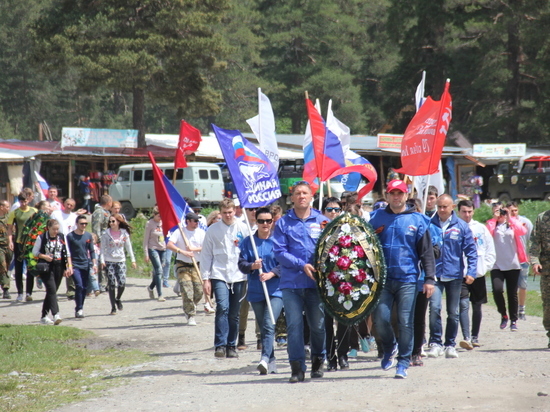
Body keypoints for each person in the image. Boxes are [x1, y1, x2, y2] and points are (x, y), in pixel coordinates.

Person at [369, 180, 435, 379]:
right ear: (387, 195)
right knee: (380, 320)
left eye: (400, 193)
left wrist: (430, 279)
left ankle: (404, 361)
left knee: (406, 321)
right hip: (383, 280)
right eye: (392, 193)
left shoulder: (418, 220)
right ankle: (390, 347)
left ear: (406, 196)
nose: (396, 197)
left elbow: (427, 253)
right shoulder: (376, 218)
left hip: (407, 279)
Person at [273, 181, 328, 383]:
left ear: (311, 196)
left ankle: (318, 361)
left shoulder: (322, 221)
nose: (302, 196)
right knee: (294, 327)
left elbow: (331, 250)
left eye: (305, 193)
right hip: (292, 284)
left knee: (318, 326)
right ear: (292, 197)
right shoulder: (283, 223)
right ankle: (297, 368)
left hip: (315, 285)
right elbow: (279, 252)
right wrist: (301, 265)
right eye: (298, 193)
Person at [426, 195, 477, 359]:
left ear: (452, 207)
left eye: (444, 207)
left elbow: (471, 251)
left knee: (453, 312)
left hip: (454, 275)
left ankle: (450, 344)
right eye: (439, 207)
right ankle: (435, 343)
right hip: (434, 275)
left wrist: (471, 272)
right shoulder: (429, 224)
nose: (441, 210)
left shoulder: (461, 226)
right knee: (434, 309)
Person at [201, 198, 248, 358]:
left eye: (230, 212)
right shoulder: (213, 230)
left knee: (234, 313)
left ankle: (231, 345)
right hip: (219, 273)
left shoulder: (243, 228)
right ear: (220, 213)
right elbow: (206, 255)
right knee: (222, 308)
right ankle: (219, 345)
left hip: (239, 275)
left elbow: (249, 251)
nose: (228, 215)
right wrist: (205, 279)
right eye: (224, 212)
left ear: (234, 211)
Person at [238, 207, 283, 375]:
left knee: (269, 322)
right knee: (264, 328)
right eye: (261, 221)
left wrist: (272, 273)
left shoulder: (279, 240)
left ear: (272, 222)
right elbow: (241, 265)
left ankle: (263, 357)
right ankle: (270, 361)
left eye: (268, 221)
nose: (265, 224)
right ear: (255, 222)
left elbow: (285, 264)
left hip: (276, 290)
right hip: (256, 291)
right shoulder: (247, 242)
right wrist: (252, 266)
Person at [457, 200, 496, 349]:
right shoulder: (455, 228)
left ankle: (475, 336)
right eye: (464, 212)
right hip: (461, 274)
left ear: (473, 211)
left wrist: (484, 268)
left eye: (469, 211)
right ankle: (466, 336)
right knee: (463, 304)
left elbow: (489, 249)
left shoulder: (481, 228)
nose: (467, 215)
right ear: (458, 212)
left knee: (477, 306)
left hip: (478, 274)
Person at [408, 198, 442, 367]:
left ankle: (416, 350)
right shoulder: (402, 224)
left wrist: (423, 247)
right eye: (409, 208)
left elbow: (436, 252)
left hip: (421, 279)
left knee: (419, 316)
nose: (412, 210)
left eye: (415, 208)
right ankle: (402, 348)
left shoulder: (429, 225)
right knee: (402, 316)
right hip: (404, 278)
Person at [486, 203, 527, 331]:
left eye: (502, 211)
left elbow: (522, 231)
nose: (501, 213)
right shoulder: (492, 224)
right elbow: (487, 234)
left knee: (512, 293)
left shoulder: (513, 223)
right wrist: (495, 218)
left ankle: (513, 320)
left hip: (513, 263)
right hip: (497, 264)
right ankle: (504, 314)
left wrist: (509, 218)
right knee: (497, 290)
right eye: (498, 211)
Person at [320, 197, 350, 371]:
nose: (333, 213)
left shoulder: (348, 229)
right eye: (329, 209)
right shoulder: (318, 230)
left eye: (337, 209)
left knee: (344, 319)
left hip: (344, 281)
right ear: (323, 211)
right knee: (326, 321)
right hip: (324, 281)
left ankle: (343, 354)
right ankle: (330, 356)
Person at [167, 212, 205, 325]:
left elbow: (206, 247)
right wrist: (182, 251)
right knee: (187, 290)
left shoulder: (201, 233)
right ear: (188, 221)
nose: (197, 223)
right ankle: (190, 315)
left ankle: (191, 305)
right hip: (182, 265)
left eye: (197, 221)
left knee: (199, 292)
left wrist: (194, 249)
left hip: (196, 265)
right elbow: (169, 244)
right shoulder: (180, 232)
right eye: (194, 221)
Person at [32, 219, 71, 325]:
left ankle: (44, 316)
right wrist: (44, 256)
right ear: (48, 228)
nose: (55, 231)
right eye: (54, 229)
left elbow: (67, 253)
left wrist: (68, 267)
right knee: (52, 289)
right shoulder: (42, 237)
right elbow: (34, 252)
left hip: (59, 266)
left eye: (57, 229)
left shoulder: (62, 237)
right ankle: (56, 314)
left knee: (51, 292)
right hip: (46, 267)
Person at [100, 213, 136, 315]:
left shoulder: (124, 233)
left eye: (113, 221)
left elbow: (128, 247)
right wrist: (102, 260)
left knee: (122, 283)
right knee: (111, 284)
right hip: (109, 260)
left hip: (121, 261)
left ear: (118, 222)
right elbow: (102, 248)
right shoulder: (105, 234)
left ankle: (118, 298)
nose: (111, 223)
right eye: (110, 222)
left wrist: (133, 260)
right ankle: (113, 307)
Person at [8, 193, 37, 302]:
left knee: (31, 267)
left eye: (25, 201)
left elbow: (39, 226)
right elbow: (10, 228)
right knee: (19, 268)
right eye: (21, 201)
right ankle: (20, 292)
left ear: (28, 200)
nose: (23, 203)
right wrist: (10, 241)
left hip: (31, 243)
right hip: (19, 242)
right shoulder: (15, 212)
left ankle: (29, 292)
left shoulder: (34, 211)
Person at [66, 215, 96, 318]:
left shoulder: (88, 236)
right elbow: (67, 252)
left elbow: (92, 251)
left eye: (85, 223)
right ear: (77, 224)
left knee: (84, 288)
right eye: (81, 223)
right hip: (75, 265)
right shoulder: (70, 236)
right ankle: (78, 308)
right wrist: (68, 266)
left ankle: (80, 307)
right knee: (78, 285)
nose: (84, 225)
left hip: (85, 264)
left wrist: (94, 264)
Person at [507, 202, 533, 320]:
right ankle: (512, 310)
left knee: (523, 284)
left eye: (515, 210)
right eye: (511, 210)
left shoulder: (525, 222)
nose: (513, 213)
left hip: (522, 258)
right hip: (509, 258)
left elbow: (531, 240)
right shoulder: (504, 223)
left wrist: (530, 256)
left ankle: (522, 309)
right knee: (512, 286)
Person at [529, 208, 550, 348]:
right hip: (547, 269)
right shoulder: (542, 218)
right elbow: (534, 243)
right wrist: (535, 262)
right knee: (548, 304)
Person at [143, 208, 167, 302]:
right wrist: (146, 253)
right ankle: (160, 294)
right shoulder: (150, 224)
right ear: (154, 215)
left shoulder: (164, 223)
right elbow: (145, 240)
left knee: (159, 272)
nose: (160, 218)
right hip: (153, 248)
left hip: (163, 248)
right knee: (159, 270)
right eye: (158, 216)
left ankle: (150, 287)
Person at [92, 194, 112, 292]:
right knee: (101, 263)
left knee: (106, 262)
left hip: (108, 240)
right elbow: (97, 228)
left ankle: (106, 283)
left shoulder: (106, 212)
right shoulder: (99, 212)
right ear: (108, 203)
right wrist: (99, 241)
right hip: (101, 241)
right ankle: (101, 284)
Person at [0, 200, 13, 299]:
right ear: (1, 207)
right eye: (7, 206)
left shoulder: (10, 217)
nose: (8, 208)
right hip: (0, 246)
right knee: (3, 265)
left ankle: (4, 283)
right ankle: (6, 289)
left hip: (8, 245)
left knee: (8, 267)